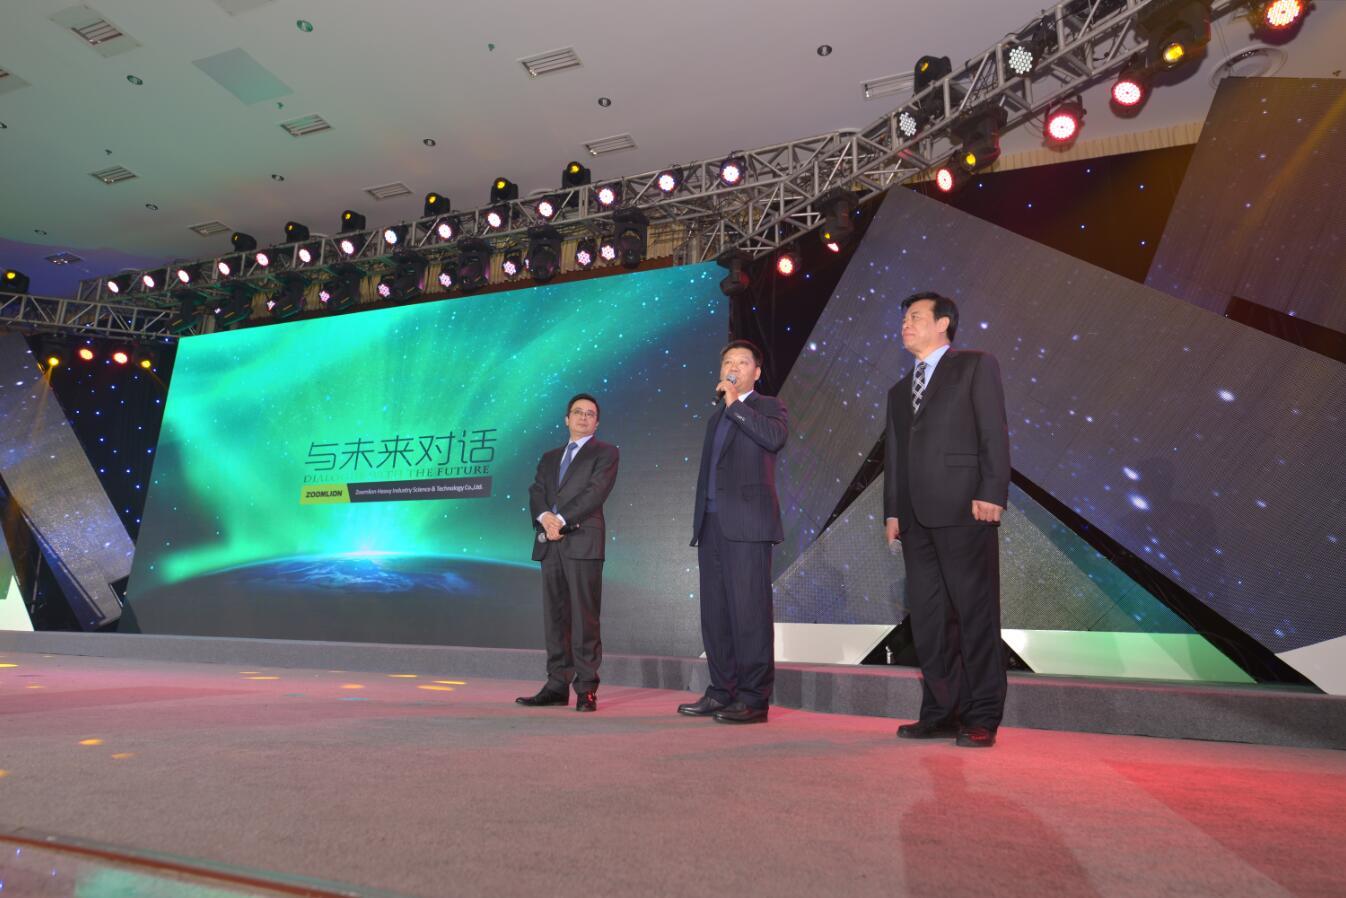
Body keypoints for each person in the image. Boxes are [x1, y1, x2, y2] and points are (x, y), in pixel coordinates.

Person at [883, 292, 1010, 748]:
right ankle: (940, 711)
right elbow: (895, 456)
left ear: (943, 324)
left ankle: (982, 714)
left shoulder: (975, 365)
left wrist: (991, 490)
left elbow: (993, 430)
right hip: (915, 519)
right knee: (930, 621)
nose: (906, 324)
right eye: (904, 318)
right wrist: (892, 510)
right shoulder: (899, 391)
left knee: (974, 614)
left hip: (964, 508)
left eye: (915, 317)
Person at [678, 340, 789, 724]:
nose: (734, 367)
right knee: (716, 614)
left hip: (748, 525)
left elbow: (774, 438)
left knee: (749, 612)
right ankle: (721, 690)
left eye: (743, 362)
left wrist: (735, 405)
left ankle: (754, 697)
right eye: (728, 361)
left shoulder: (768, 406)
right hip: (711, 525)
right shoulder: (716, 418)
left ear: (756, 372)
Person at [517, 394, 619, 713]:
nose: (583, 417)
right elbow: (537, 491)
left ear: (597, 423)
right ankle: (556, 685)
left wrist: (560, 520)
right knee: (556, 617)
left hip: (582, 541)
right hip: (550, 543)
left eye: (590, 414)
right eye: (578, 412)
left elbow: (595, 492)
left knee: (584, 617)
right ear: (566, 419)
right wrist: (545, 517)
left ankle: (586, 688)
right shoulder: (549, 457)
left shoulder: (606, 452)